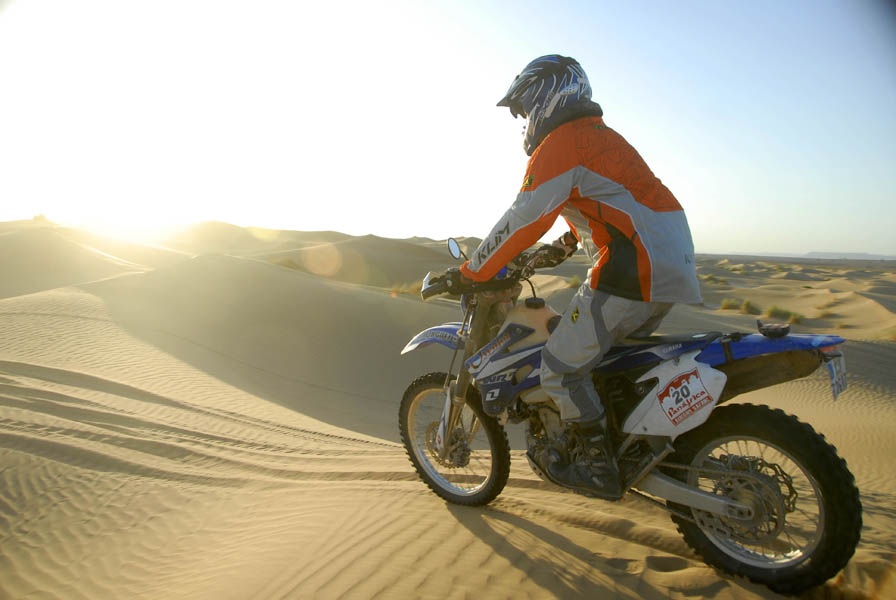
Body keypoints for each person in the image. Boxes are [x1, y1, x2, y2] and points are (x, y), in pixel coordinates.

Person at [458, 55, 701, 500]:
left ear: (547, 98)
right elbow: (609, 201)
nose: (525, 122)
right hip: (670, 266)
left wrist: (472, 271)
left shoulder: (561, 143)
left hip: (633, 271)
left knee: (559, 369)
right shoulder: (600, 138)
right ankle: (631, 447)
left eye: (525, 110)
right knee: (605, 365)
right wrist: (565, 245)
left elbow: (525, 217)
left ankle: (597, 468)